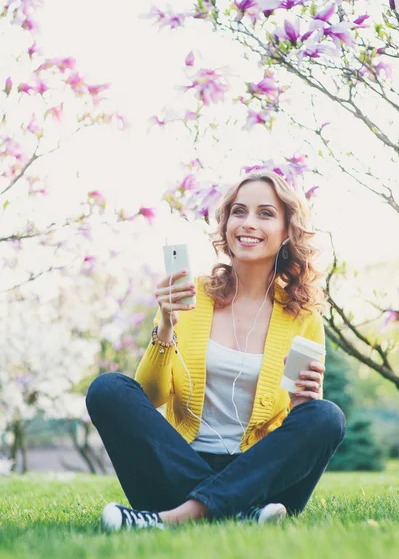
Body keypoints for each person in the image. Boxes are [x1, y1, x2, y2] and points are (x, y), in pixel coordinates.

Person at [86, 169, 346, 532]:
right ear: (225, 225)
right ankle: (240, 511)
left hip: (258, 470)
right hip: (180, 463)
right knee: (108, 389)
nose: (248, 223)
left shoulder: (302, 317)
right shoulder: (191, 296)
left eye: (265, 213)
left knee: (326, 416)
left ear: (288, 232)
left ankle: (171, 518)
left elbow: (295, 428)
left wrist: (305, 401)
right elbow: (149, 396)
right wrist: (166, 324)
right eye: (238, 212)